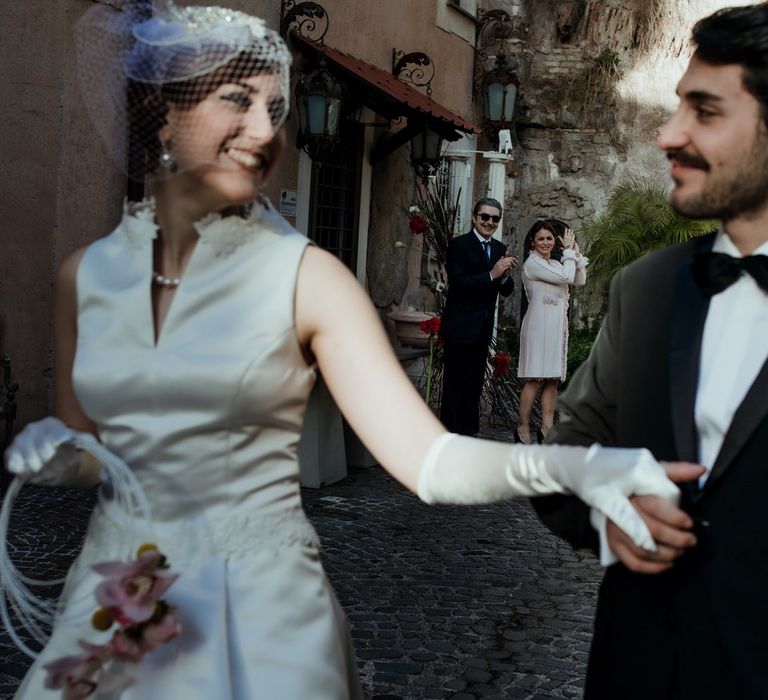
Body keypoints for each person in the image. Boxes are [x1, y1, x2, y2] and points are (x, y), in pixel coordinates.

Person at [2, 4, 690, 699]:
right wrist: (61, 454)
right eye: (236, 102)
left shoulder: (305, 279)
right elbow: (94, 449)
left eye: (276, 109)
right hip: (116, 604)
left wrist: (572, 463)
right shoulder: (85, 277)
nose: (264, 131)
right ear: (160, 111)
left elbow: (427, 459)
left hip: (258, 615)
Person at [532, 4, 768, 698]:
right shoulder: (647, 289)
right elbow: (559, 461)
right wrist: (604, 507)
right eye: (675, 109)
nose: (669, 135)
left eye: (705, 111)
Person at [440, 198, 517, 436]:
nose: (490, 222)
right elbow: (458, 283)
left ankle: (469, 432)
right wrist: (492, 274)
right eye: (485, 217)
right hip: (460, 324)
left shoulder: (499, 248)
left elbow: (506, 289)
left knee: (474, 383)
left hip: (483, 327)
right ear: (475, 218)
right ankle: (450, 434)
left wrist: (504, 276)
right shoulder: (459, 245)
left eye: (495, 218)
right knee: (454, 383)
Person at [516, 219, 587, 444]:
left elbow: (579, 280)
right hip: (538, 328)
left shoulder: (557, 265)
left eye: (549, 238)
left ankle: (547, 427)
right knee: (535, 379)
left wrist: (576, 257)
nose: (545, 243)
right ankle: (523, 425)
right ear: (533, 242)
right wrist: (567, 253)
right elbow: (567, 278)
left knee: (552, 379)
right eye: (541, 239)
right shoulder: (532, 264)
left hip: (556, 329)